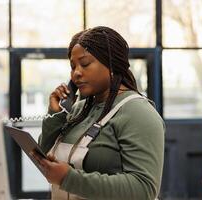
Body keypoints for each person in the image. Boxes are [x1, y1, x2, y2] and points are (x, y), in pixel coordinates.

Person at [32, 26, 165, 200]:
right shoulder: (77, 110)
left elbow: (144, 188)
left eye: (85, 64)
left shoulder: (138, 113)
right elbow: (45, 155)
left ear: (111, 64)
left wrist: (69, 178)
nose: (76, 74)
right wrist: (54, 115)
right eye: (73, 67)